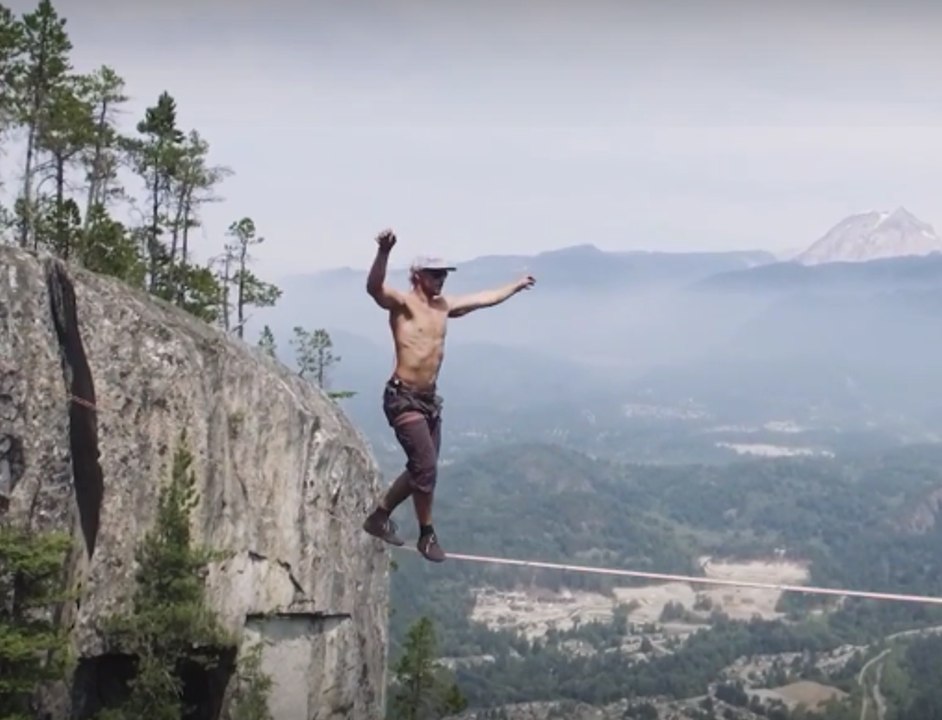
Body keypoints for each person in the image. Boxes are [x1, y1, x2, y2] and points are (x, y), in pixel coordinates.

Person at [361, 228, 536, 561]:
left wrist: (514, 286)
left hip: (428, 400)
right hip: (402, 396)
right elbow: (374, 288)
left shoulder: (444, 307)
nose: (441, 280)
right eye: (435, 274)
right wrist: (383, 252)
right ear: (417, 275)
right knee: (425, 467)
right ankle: (404, 525)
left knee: (422, 471)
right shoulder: (403, 304)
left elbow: (483, 299)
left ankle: (400, 524)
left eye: (444, 274)